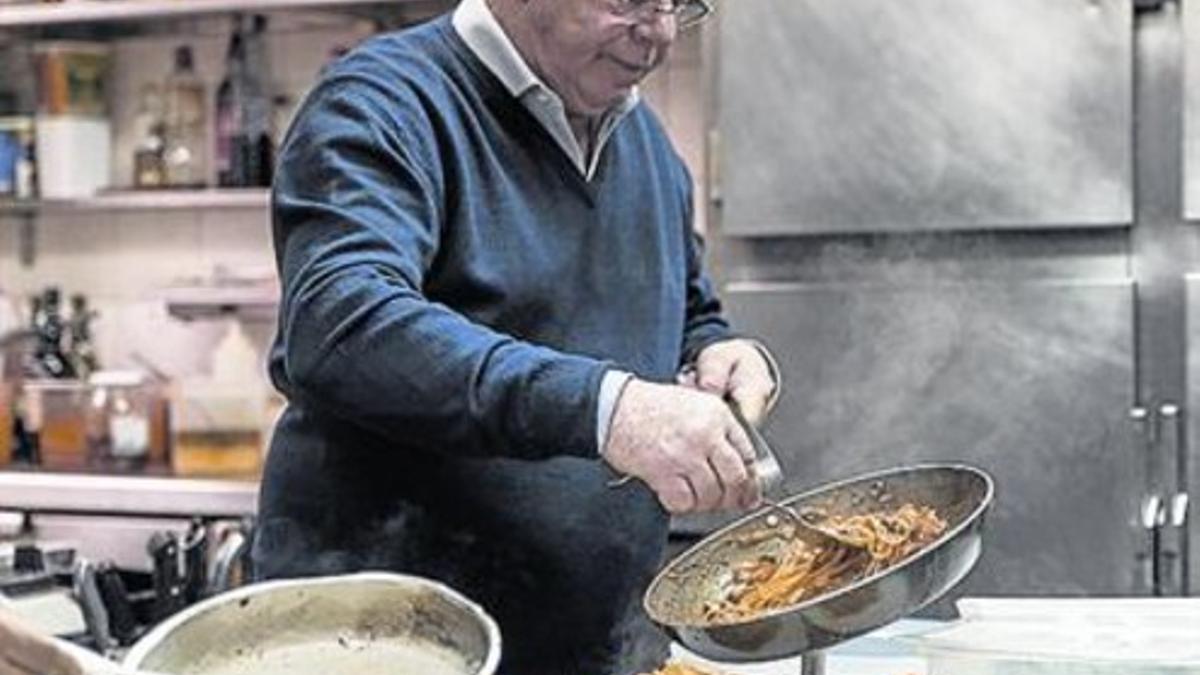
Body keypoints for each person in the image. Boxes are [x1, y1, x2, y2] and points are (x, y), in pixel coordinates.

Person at [252, 0, 781, 672]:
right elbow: (343, 325)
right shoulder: (384, 100)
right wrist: (608, 409)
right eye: (629, 1)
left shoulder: (645, 141)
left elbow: (686, 310)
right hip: (381, 646)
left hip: (594, 646)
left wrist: (717, 351)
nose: (661, 32)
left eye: (678, 3)